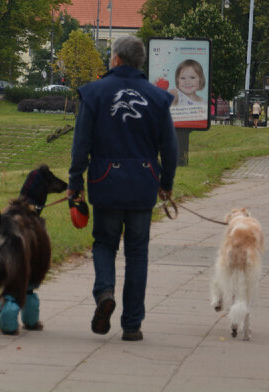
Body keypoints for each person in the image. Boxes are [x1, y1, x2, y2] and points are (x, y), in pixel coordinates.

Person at [68, 34, 177, 343]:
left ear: (115, 59)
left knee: (104, 244)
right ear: (140, 62)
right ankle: (132, 325)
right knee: (137, 253)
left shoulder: (94, 93)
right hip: (143, 184)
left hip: (106, 181)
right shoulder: (157, 98)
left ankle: (104, 292)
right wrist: (166, 185)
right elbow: (169, 149)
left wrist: (75, 183)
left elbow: (80, 146)